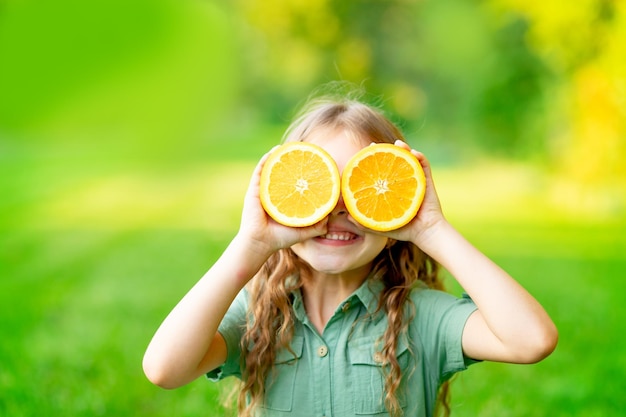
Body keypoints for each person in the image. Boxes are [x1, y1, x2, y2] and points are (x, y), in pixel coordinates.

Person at [142, 92, 558, 417]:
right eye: (320, 188)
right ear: (282, 198)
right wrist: (250, 246)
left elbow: (532, 341)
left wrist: (432, 230)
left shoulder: (419, 317)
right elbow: (164, 369)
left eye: (360, 190)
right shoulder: (258, 316)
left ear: (396, 212)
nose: (340, 208)